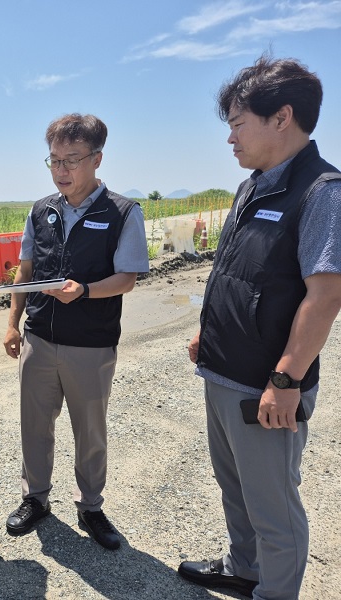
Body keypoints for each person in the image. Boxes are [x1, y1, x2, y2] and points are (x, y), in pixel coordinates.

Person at [178, 56, 341, 600]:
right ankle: (243, 567)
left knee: (274, 506)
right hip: (223, 369)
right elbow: (235, 274)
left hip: (266, 385)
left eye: (237, 123)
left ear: (282, 117)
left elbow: (326, 295)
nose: (230, 138)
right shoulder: (252, 188)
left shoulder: (322, 192)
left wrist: (287, 378)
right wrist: (211, 334)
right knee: (236, 489)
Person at [2, 114, 149, 550]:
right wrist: (12, 324)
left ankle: (90, 506)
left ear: (97, 159)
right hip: (40, 339)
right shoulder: (41, 210)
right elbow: (24, 271)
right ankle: (35, 498)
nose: (61, 171)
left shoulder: (122, 212)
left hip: (91, 345)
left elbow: (127, 278)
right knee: (35, 425)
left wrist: (84, 291)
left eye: (72, 160)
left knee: (90, 430)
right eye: (54, 161)